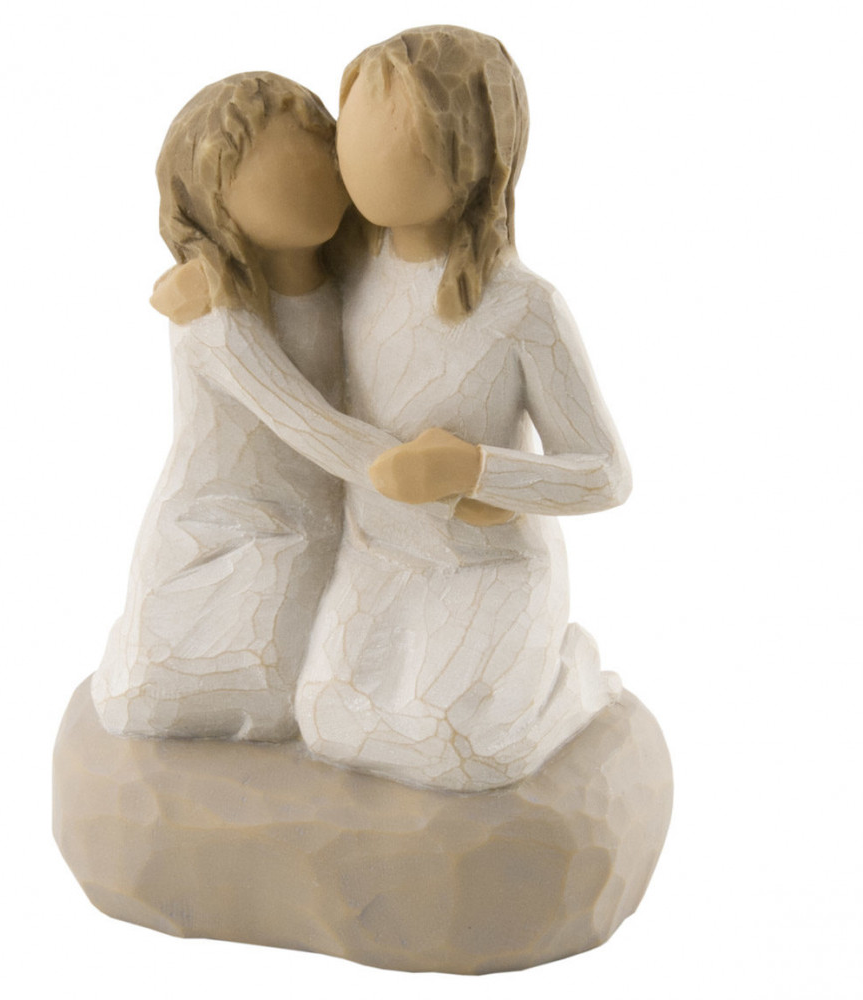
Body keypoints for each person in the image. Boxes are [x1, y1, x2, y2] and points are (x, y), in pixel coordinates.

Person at [290, 26, 633, 791]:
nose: (357, 153)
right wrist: (212, 277)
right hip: (380, 558)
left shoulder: (522, 307)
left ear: (471, 153)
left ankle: (571, 681)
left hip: (490, 567)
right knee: (326, 723)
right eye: (355, 128)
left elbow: (605, 473)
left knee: (461, 750)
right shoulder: (353, 267)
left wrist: (474, 470)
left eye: (392, 132)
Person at [91, 72, 399, 740]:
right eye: (284, 158)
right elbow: (306, 423)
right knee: (289, 685)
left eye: (323, 144)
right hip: (236, 533)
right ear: (214, 198)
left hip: (332, 517)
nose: (320, 168)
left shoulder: (355, 282)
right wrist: (428, 476)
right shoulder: (217, 315)